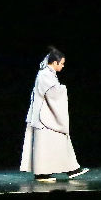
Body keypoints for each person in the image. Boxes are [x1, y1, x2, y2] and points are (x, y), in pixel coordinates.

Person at [20, 46, 88, 182]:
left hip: (47, 116)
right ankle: (44, 173)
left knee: (57, 143)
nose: (63, 66)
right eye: (61, 63)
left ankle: (71, 169)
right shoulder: (45, 74)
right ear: (55, 62)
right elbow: (53, 93)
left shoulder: (48, 74)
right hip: (44, 117)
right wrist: (63, 89)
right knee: (49, 144)